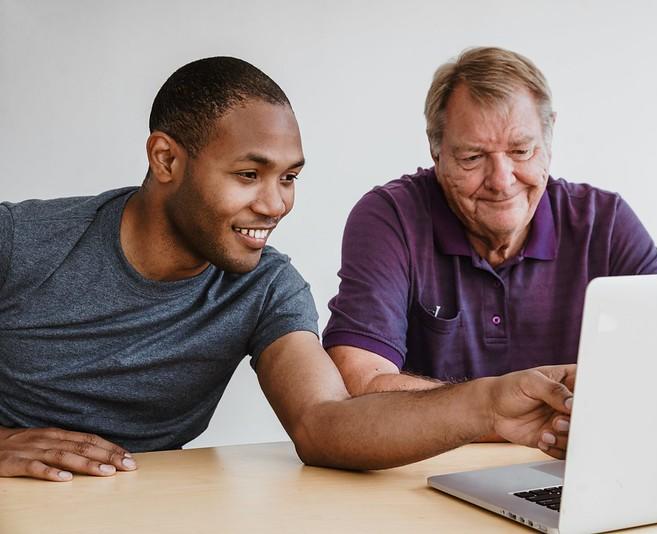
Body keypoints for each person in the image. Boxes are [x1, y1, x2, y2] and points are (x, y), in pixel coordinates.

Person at [0, 56, 575, 482]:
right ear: (166, 159)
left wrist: (487, 404)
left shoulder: (265, 286)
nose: (276, 205)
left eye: (289, 177)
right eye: (248, 175)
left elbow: (325, 423)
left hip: (135, 506)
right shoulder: (20, 242)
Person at [323, 47, 657, 409]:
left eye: (521, 151)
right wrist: (502, 409)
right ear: (436, 153)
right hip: (432, 464)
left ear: (548, 141)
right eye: (473, 157)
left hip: (572, 460)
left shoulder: (606, 224)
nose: (501, 182)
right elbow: (359, 382)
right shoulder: (391, 218)